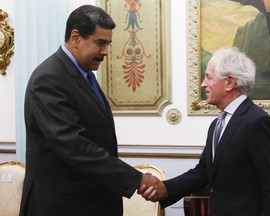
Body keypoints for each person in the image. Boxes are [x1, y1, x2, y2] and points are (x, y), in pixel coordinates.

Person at [19, 5, 165, 216]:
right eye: (100, 43)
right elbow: (74, 146)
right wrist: (136, 179)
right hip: (62, 205)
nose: (106, 51)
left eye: (108, 44)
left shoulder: (84, 76)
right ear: (76, 38)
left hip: (91, 202)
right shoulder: (49, 78)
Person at [140, 47, 270, 215]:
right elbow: (203, 172)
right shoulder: (217, 124)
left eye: (209, 77)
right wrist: (166, 188)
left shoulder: (258, 123)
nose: (203, 84)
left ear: (230, 83)